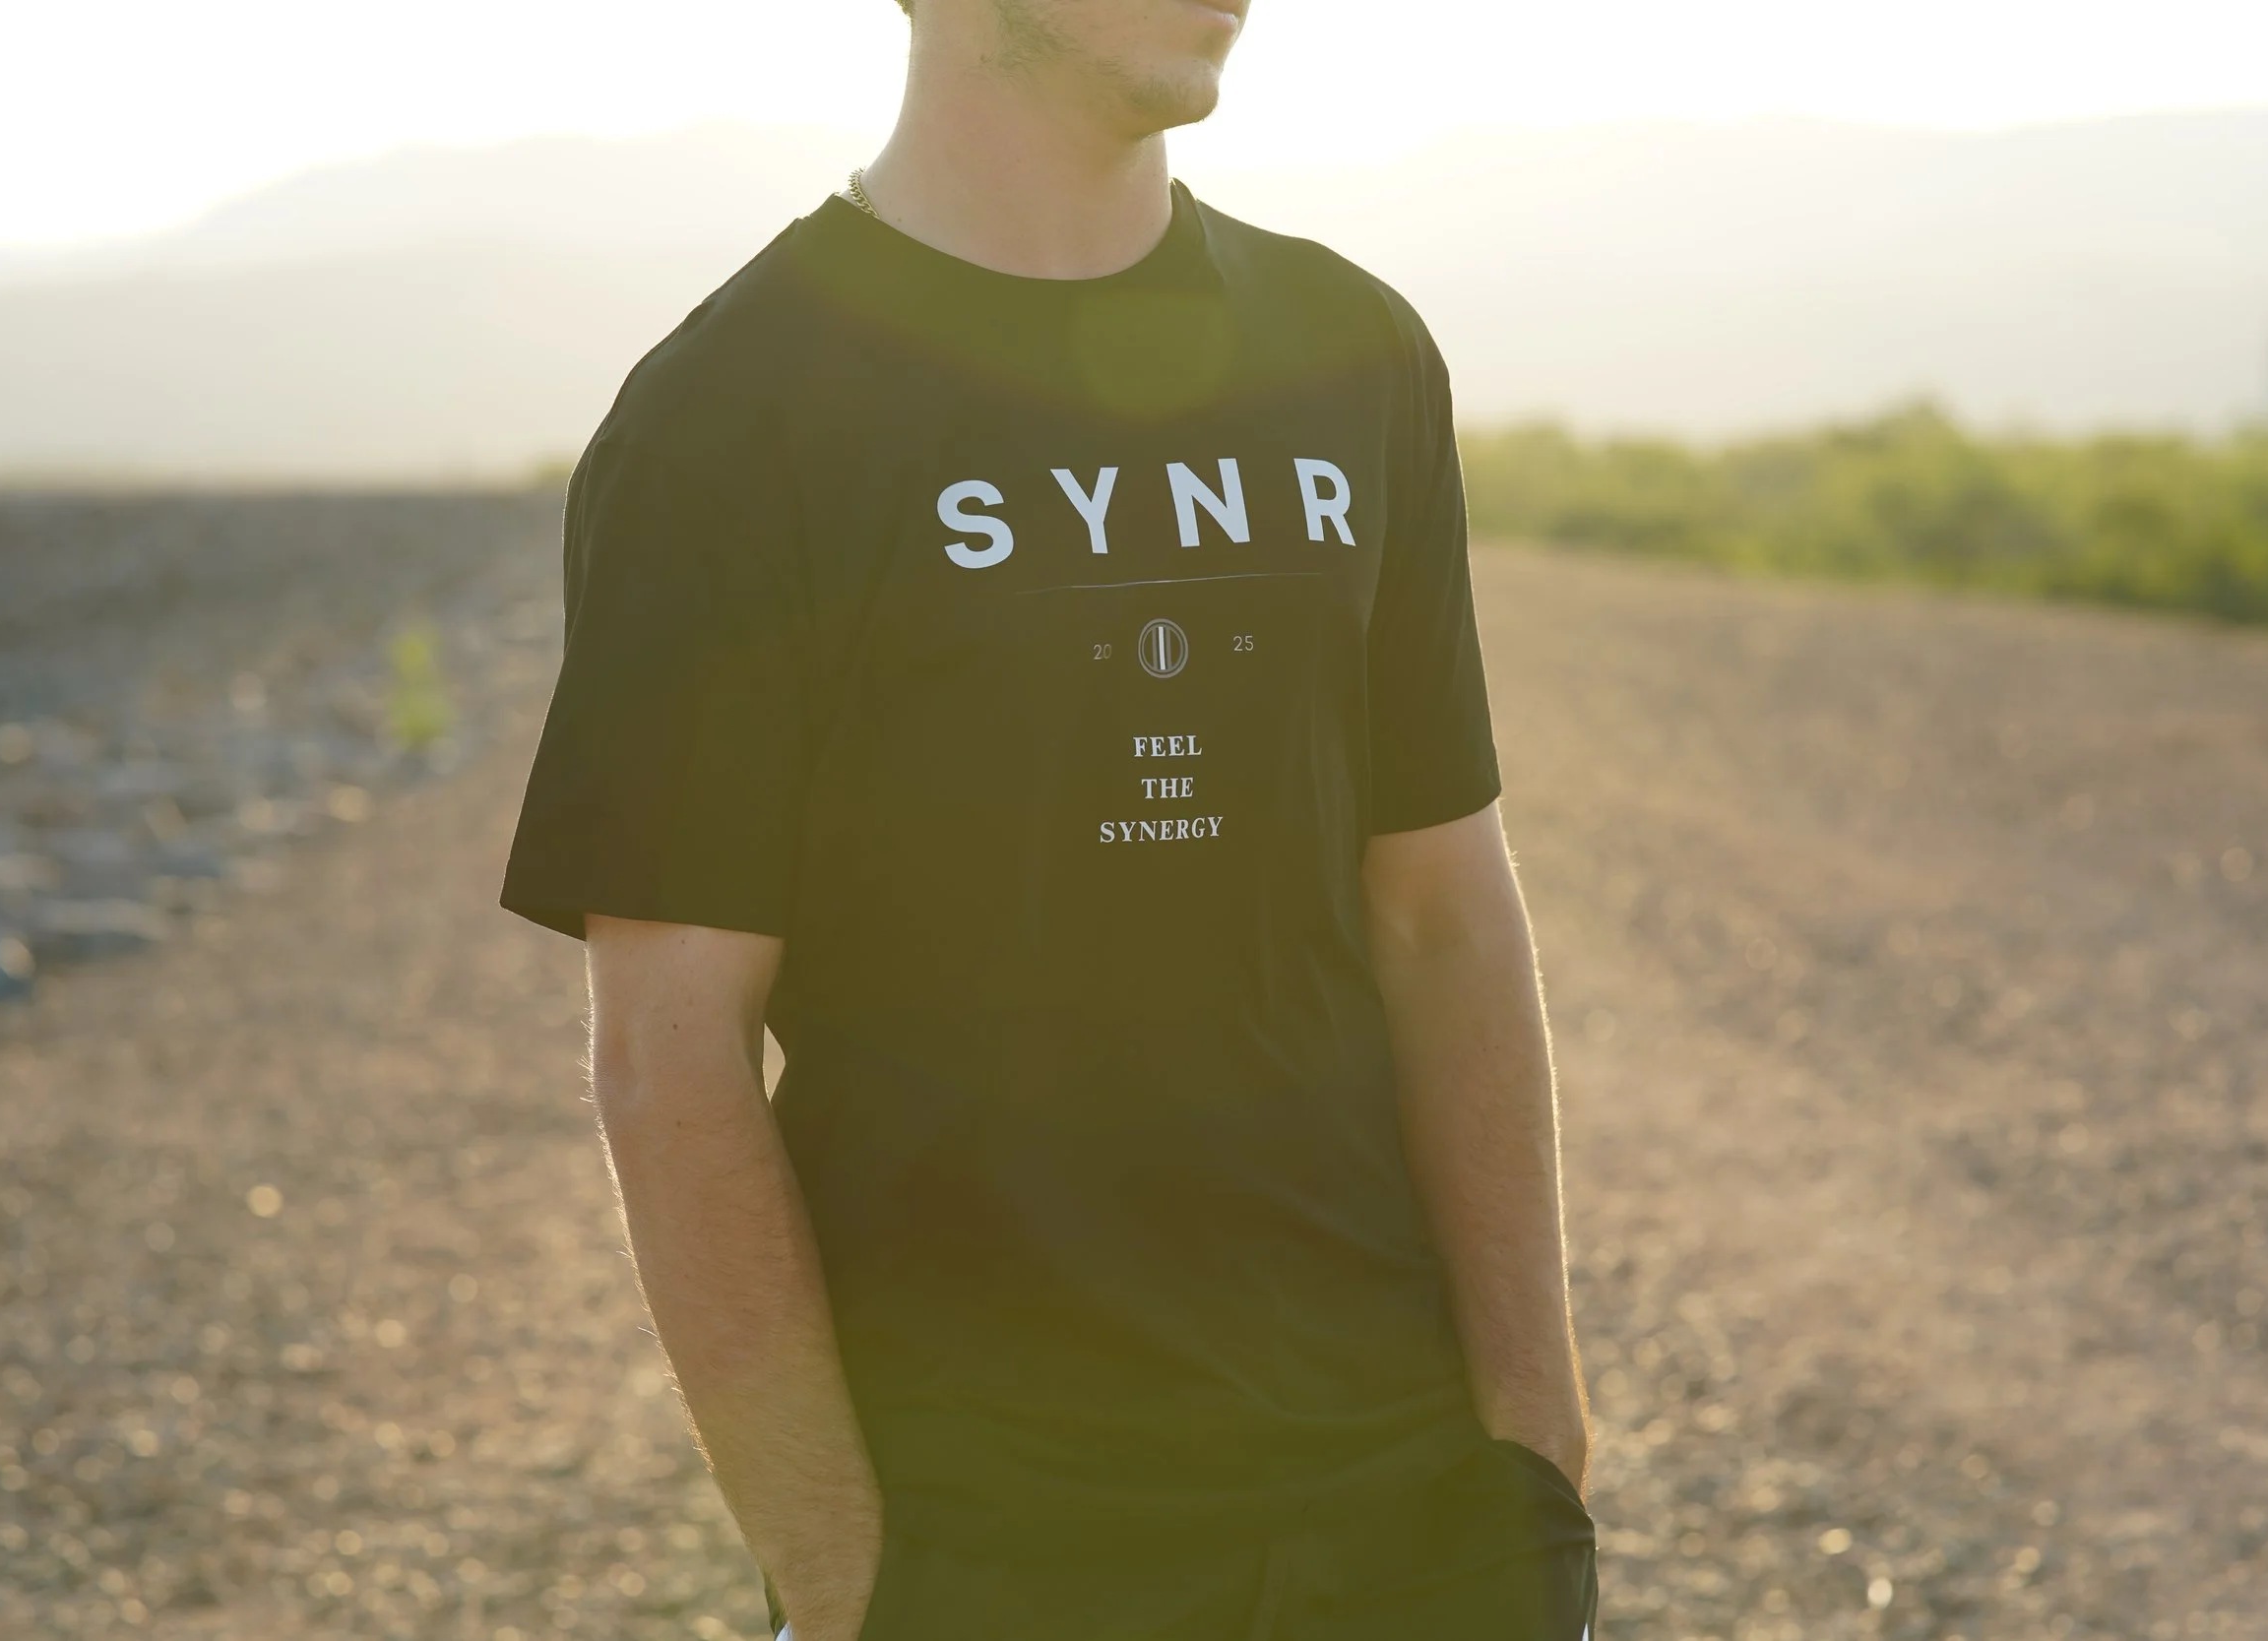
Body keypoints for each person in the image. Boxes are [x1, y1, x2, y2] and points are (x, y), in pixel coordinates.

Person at [498, 1, 1597, 1635]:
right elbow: (668, 1051)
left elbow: (1444, 912)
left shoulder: (1352, 349)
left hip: (1413, 1498)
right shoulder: (729, 415)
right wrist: (847, 1575)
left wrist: (1535, 1440)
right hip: (986, 1523)